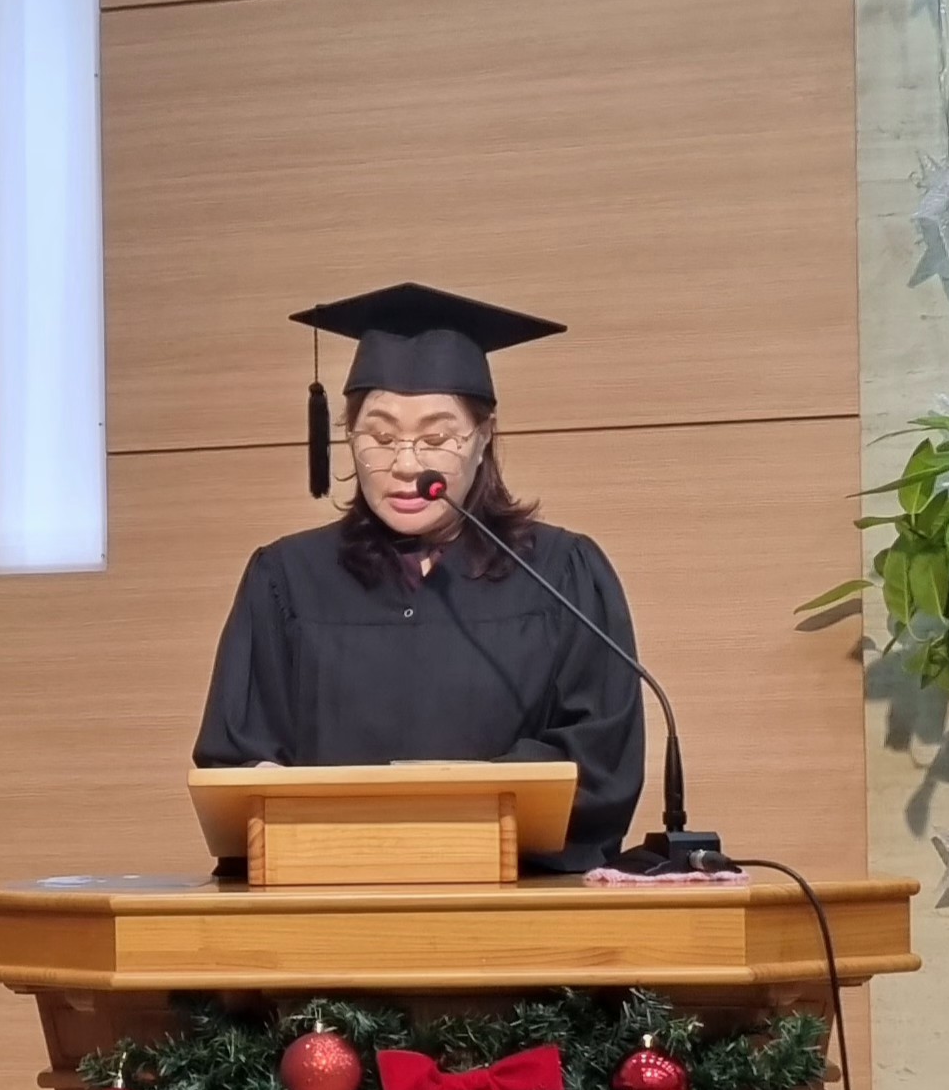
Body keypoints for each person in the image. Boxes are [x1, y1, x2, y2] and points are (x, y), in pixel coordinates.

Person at [193, 282, 645, 868]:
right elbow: (235, 768)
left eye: (436, 438)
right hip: (330, 898)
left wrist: (459, 812)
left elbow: (600, 763)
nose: (406, 464)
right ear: (347, 436)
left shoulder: (561, 576)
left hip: (511, 902)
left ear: (484, 437)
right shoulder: (286, 581)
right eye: (380, 437)